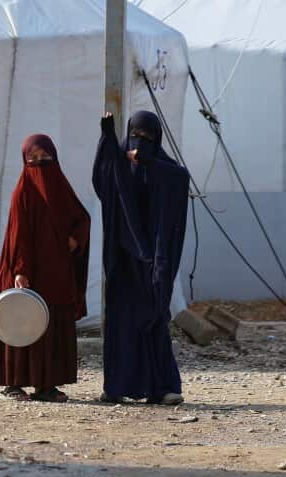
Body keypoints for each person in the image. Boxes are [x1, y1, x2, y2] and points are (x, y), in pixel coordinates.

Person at [92, 110, 189, 405]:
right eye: (136, 135)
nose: (139, 142)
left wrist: (149, 163)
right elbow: (104, 181)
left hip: (154, 260)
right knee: (121, 322)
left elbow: (180, 177)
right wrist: (107, 138)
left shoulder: (164, 168)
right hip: (123, 260)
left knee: (154, 317)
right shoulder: (121, 161)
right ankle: (117, 386)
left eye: (147, 138)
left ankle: (162, 387)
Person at [0, 134, 90, 402]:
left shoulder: (61, 188)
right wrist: (20, 270)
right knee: (21, 320)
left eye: (45, 158)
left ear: (54, 158)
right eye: (32, 159)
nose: (39, 164)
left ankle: (46, 386)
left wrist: (75, 239)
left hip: (56, 272)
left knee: (51, 322)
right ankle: (13, 384)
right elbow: (18, 235)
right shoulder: (23, 191)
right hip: (27, 272)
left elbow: (82, 217)